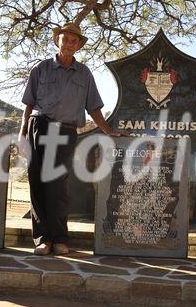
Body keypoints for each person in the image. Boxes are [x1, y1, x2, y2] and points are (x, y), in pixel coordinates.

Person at [18, 22, 123, 256]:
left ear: (79, 46)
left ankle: (60, 239)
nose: (69, 43)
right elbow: (28, 105)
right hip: (39, 127)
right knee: (37, 183)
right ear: (58, 41)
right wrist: (21, 135)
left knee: (57, 186)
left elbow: (94, 107)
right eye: (65, 39)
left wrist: (108, 130)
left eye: (74, 41)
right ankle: (43, 240)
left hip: (65, 132)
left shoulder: (84, 73)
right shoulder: (41, 69)